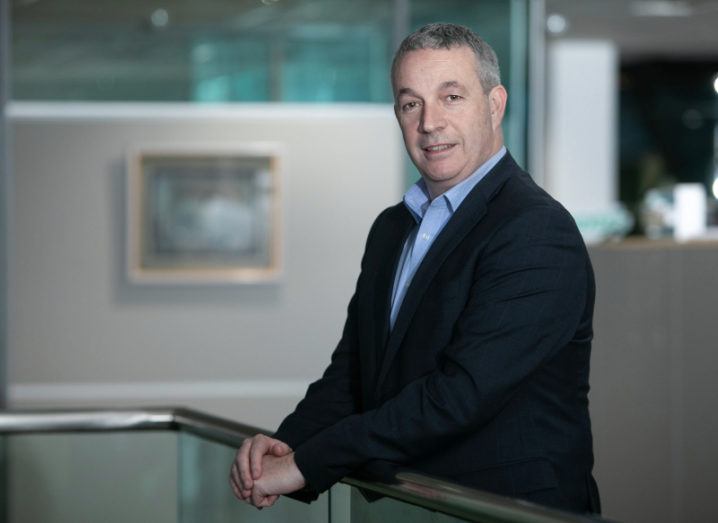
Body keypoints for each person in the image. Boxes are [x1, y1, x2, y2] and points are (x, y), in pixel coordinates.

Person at [229, 22, 600, 514]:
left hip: (511, 511)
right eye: (411, 104)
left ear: (495, 104)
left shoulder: (536, 231)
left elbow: (460, 396)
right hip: (418, 506)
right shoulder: (392, 229)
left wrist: (309, 463)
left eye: (451, 97)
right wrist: (283, 446)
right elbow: (354, 374)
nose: (429, 123)